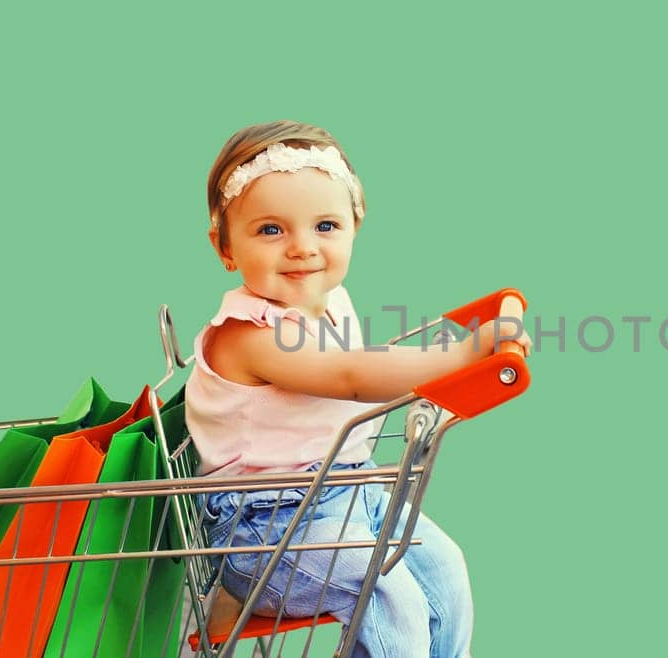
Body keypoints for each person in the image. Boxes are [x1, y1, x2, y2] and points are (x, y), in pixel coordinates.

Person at [186, 119, 530, 658]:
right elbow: (350, 376)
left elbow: (360, 363)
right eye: (271, 230)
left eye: (325, 226)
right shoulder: (248, 336)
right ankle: (243, 590)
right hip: (268, 530)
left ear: (355, 226)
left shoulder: (330, 300)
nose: (303, 248)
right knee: (387, 593)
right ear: (225, 247)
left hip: (349, 493)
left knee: (445, 571)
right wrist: (463, 354)